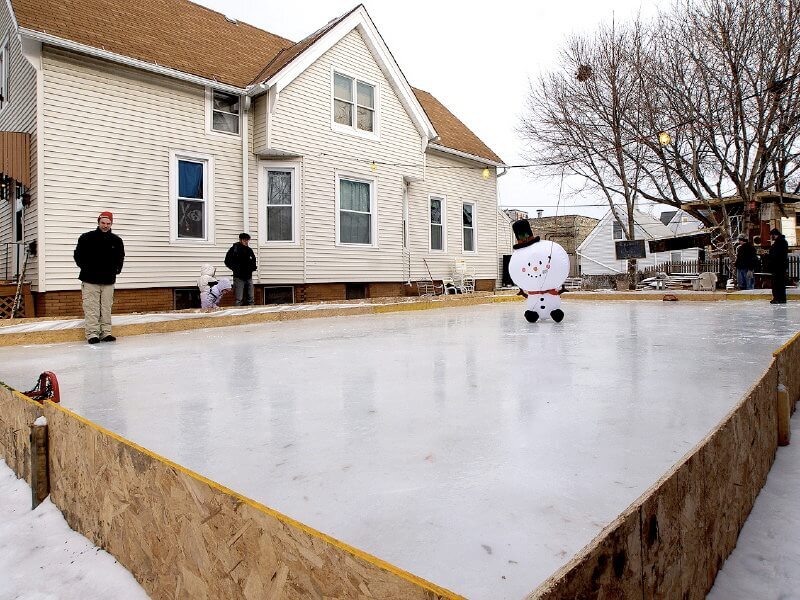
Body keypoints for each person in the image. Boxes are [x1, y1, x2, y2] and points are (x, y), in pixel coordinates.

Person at [73, 211, 125, 344]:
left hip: (108, 280)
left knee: (106, 307)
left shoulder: (116, 240)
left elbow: (120, 257)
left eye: (108, 223)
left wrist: (117, 270)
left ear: (111, 224)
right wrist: (86, 268)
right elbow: (78, 255)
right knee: (91, 307)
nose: (105, 225)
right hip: (90, 279)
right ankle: (92, 334)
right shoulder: (86, 238)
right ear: (98, 222)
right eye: (103, 223)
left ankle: (106, 333)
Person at [224, 232, 257, 306]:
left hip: (249, 276)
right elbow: (227, 261)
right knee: (239, 299)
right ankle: (237, 314)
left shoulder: (249, 250)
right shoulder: (234, 249)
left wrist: (253, 268)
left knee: (251, 298)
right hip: (239, 277)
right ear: (240, 240)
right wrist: (235, 268)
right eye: (244, 240)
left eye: (247, 240)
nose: (246, 242)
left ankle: (251, 314)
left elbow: (253, 260)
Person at [768, 228, 789, 304]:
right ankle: (780, 298)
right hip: (780, 266)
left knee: (777, 283)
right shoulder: (781, 242)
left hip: (778, 266)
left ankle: (778, 298)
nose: (771, 237)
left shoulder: (780, 243)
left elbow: (777, 255)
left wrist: (770, 256)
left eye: (772, 236)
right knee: (779, 283)